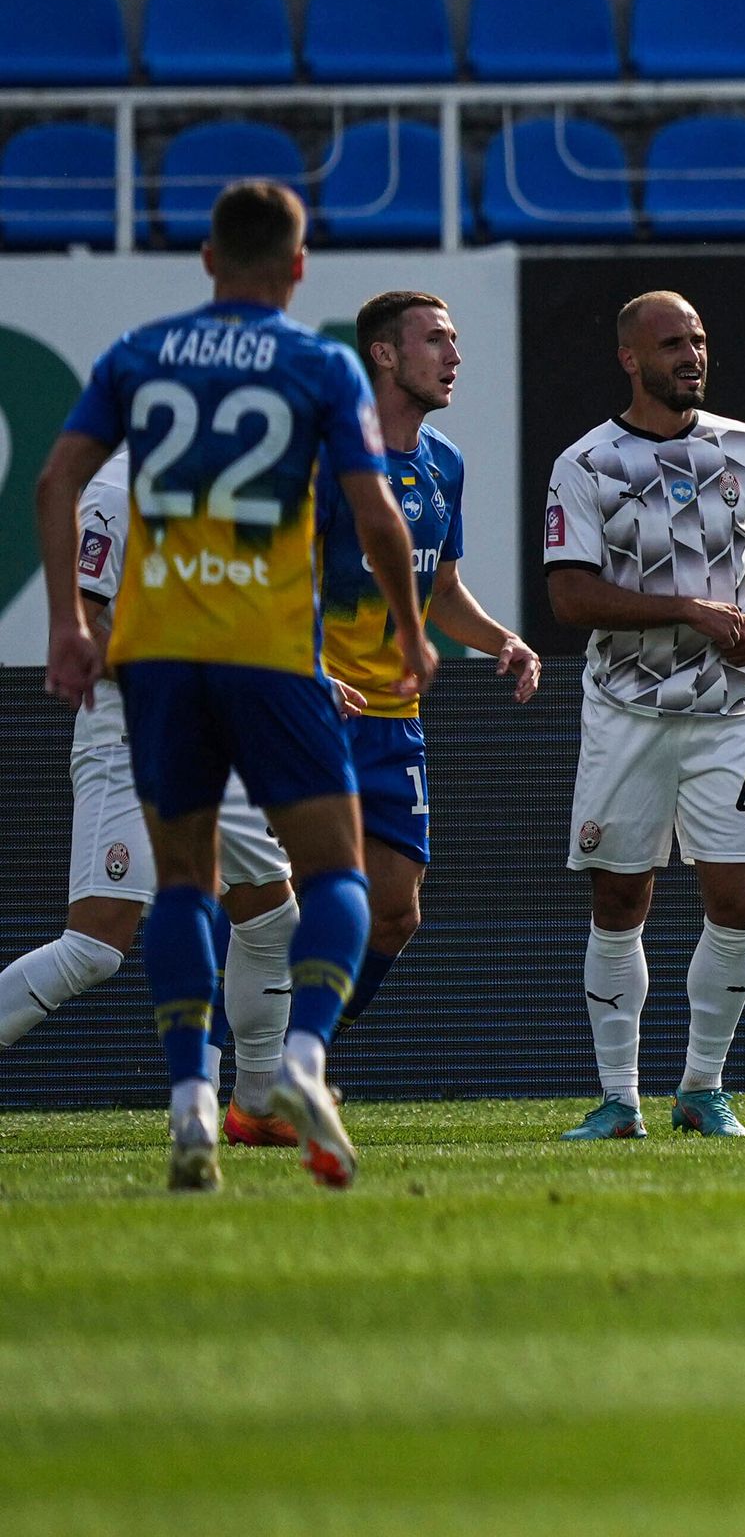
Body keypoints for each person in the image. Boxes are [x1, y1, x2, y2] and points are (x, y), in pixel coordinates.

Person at [27, 179, 429, 1192]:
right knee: (337, 874)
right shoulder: (318, 362)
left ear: (207, 258)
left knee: (191, 886)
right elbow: (377, 517)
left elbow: (52, 481)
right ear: (298, 268)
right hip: (268, 650)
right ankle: (300, 1060)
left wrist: (69, 627)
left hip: (159, 660)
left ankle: (196, 1102)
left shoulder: (138, 354)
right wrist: (413, 631)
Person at [0, 453, 304, 1155]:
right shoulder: (117, 486)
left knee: (270, 912)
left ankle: (258, 1106)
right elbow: (88, 613)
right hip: (132, 733)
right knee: (94, 948)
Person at [544, 291, 745, 1143]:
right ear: (629, 358)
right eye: (673, 343)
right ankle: (620, 1099)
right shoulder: (586, 462)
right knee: (620, 897)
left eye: (700, 341)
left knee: (736, 896)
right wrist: (686, 607)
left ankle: (704, 1088)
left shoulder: (741, 445)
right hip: (627, 711)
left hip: (727, 710)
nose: (692, 355)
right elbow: (569, 595)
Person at [319, 291, 544, 1054]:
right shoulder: (326, 458)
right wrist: (305, 670)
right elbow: (269, 584)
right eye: (436, 341)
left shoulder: (443, 463)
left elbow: (440, 589)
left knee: (396, 914)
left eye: (455, 340)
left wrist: (499, 640)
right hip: (312, 711)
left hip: (393, 721)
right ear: (384, 354)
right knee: (278, 902)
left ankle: (296, 1049)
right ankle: (250, 1067)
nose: (454, 357)